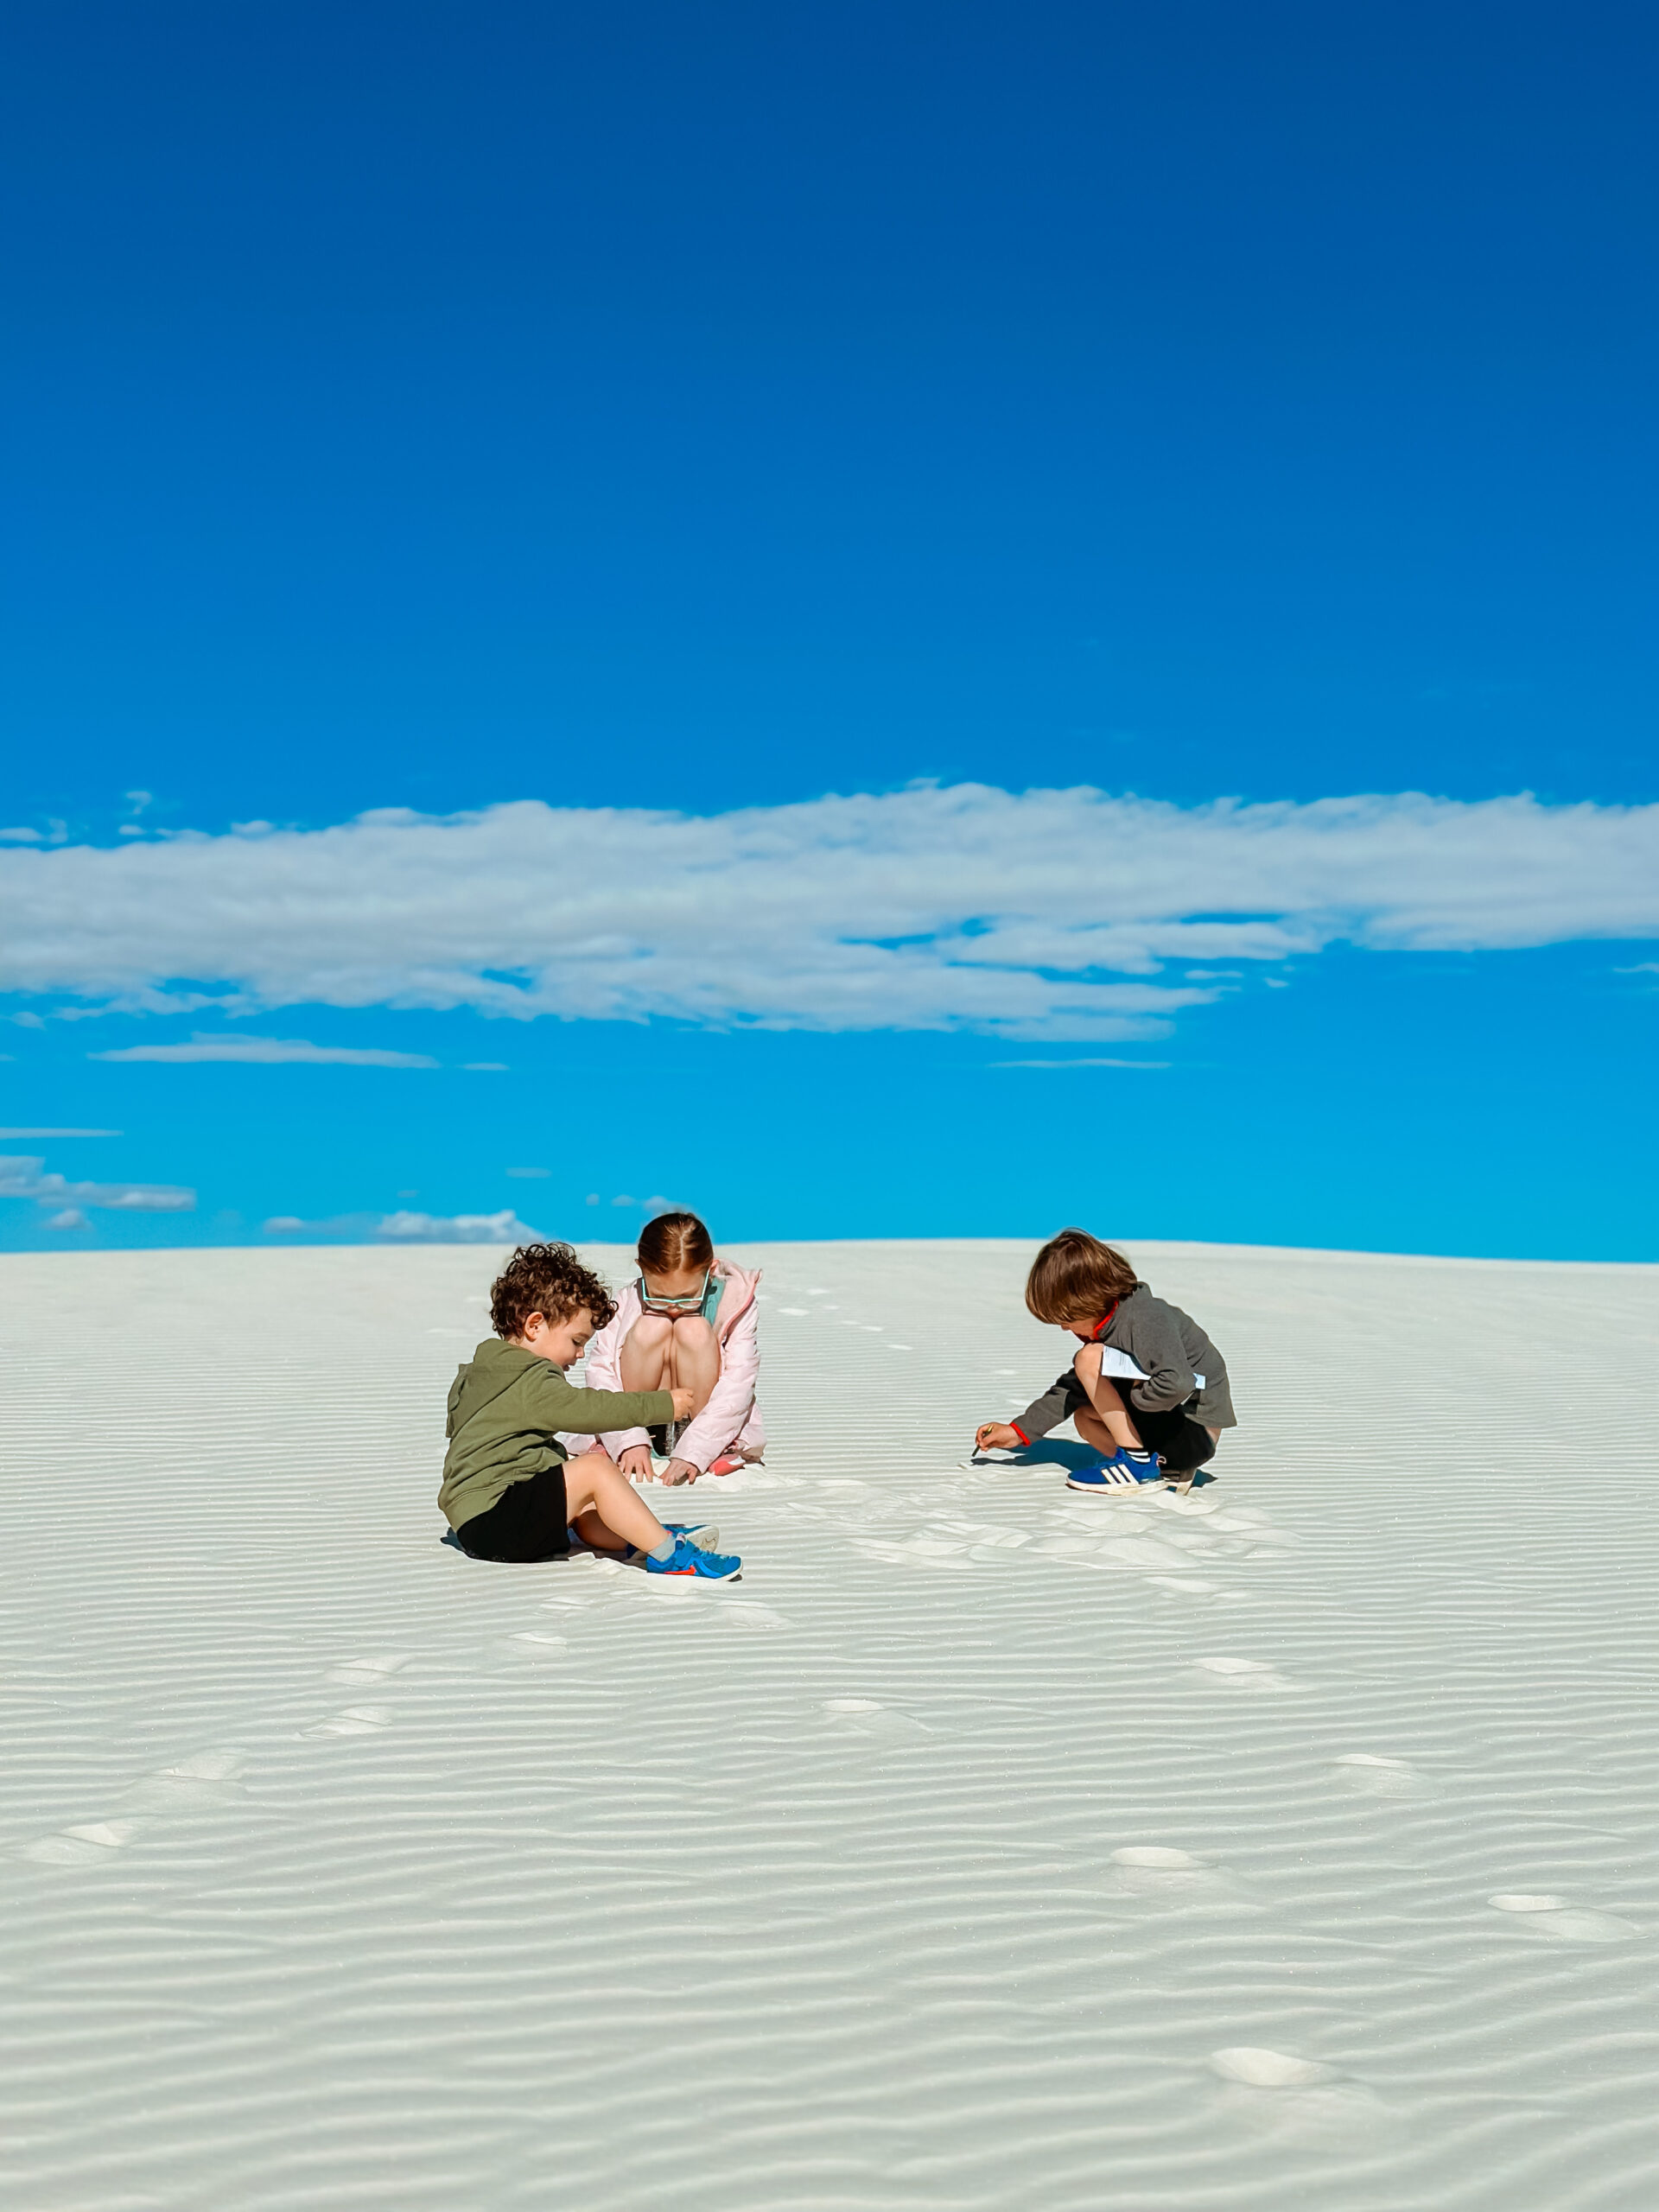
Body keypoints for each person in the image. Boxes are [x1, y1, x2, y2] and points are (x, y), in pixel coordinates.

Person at [440, 1242, 742, 1577]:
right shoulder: (528, 1377)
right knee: (595, 1469)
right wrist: (662, 1404)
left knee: (586, 1502)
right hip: (500, 1520)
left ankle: (640, 1536)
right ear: (534, 1325)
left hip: (476, 1524)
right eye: (576, 1341)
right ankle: (671, 1554)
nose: (581, 1354)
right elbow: (588, 1410)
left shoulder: (482, 1374)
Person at [975, 1228, 1236, 1492]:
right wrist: (1017, 1432)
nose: (1065, 1328)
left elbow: (1178, 1382)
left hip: (1194, 1430)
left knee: (1089, 1359)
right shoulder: (1116, 1322)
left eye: (1067, 1318)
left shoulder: (1144, 1317)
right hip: (1175, 1428)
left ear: (1087, 1300)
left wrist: (1135, 1395)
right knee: (1085, 1416)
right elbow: (1071, 1390)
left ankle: (1137, 1466)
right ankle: (1166, 1470)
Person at [564, 1211, 765, 1485]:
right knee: (652, 1325)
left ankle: (700, 1441)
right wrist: (628, 1440)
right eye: (658, 1296)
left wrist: (696, 1452)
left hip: (701, 1419)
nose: (672, 1307)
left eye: (686, 1297)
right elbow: (602, 1375)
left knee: (691, 1328)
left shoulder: (736, 1300)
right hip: (640, 1417)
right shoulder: (627, 1300)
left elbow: (738, 1385)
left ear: (710, 1269)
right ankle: (642, 1437)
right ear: (641, 1269)